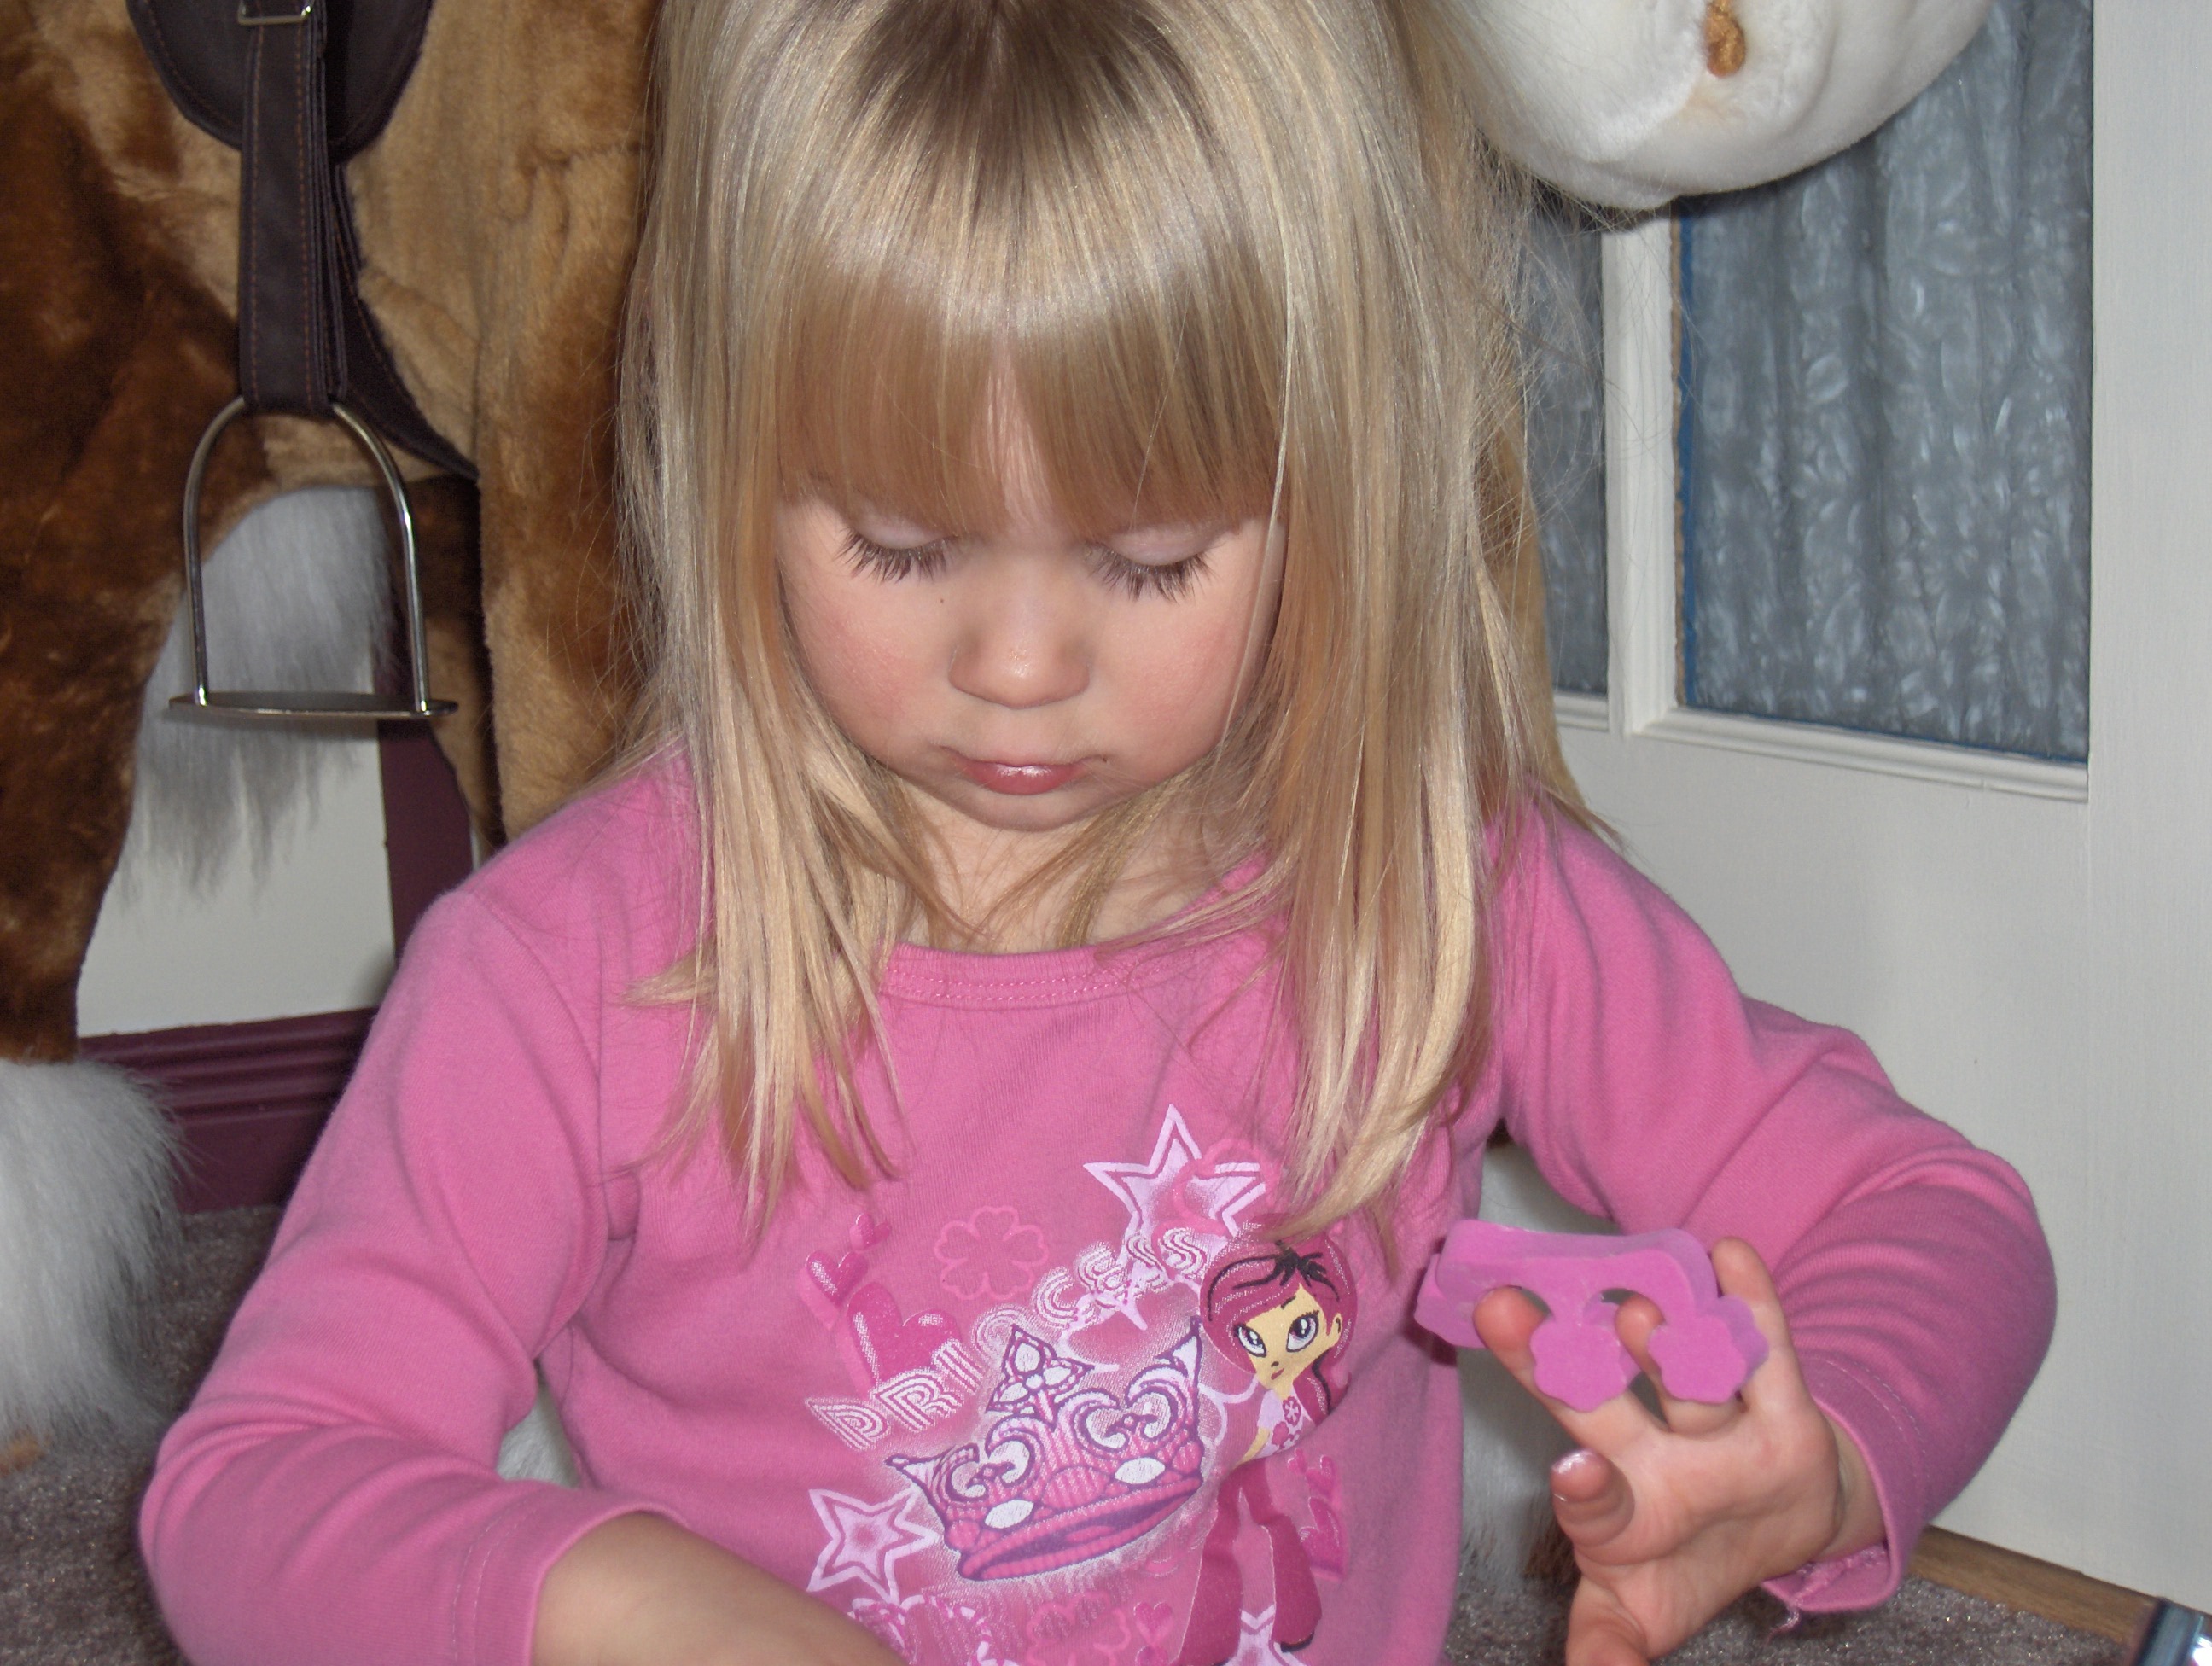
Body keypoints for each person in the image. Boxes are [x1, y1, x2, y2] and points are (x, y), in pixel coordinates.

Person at [137, 2, 2056, 1663]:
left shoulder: (1433, 888)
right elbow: (251, 1490)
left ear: (1333, 485)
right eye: (900, 543)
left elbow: (1929, 1216)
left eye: (1148, 559)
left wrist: (1821, 1453)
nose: (1020, 666)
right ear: (726, 452)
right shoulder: (571, 971)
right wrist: (629, 1605)